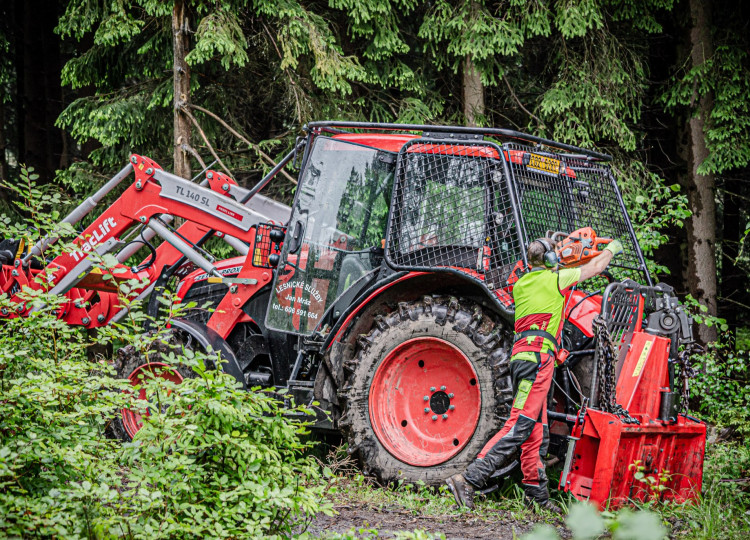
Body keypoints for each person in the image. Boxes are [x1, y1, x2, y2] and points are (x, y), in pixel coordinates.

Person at [445, 236, 623, 512]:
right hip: (537, 361)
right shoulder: (556, 280)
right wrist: (611, 249)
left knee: (536, 430)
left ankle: (536, 496)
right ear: (552, 261)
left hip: (522, 359)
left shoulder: (521, 284)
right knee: (520, 425)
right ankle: (469, 478)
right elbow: (597, 267)